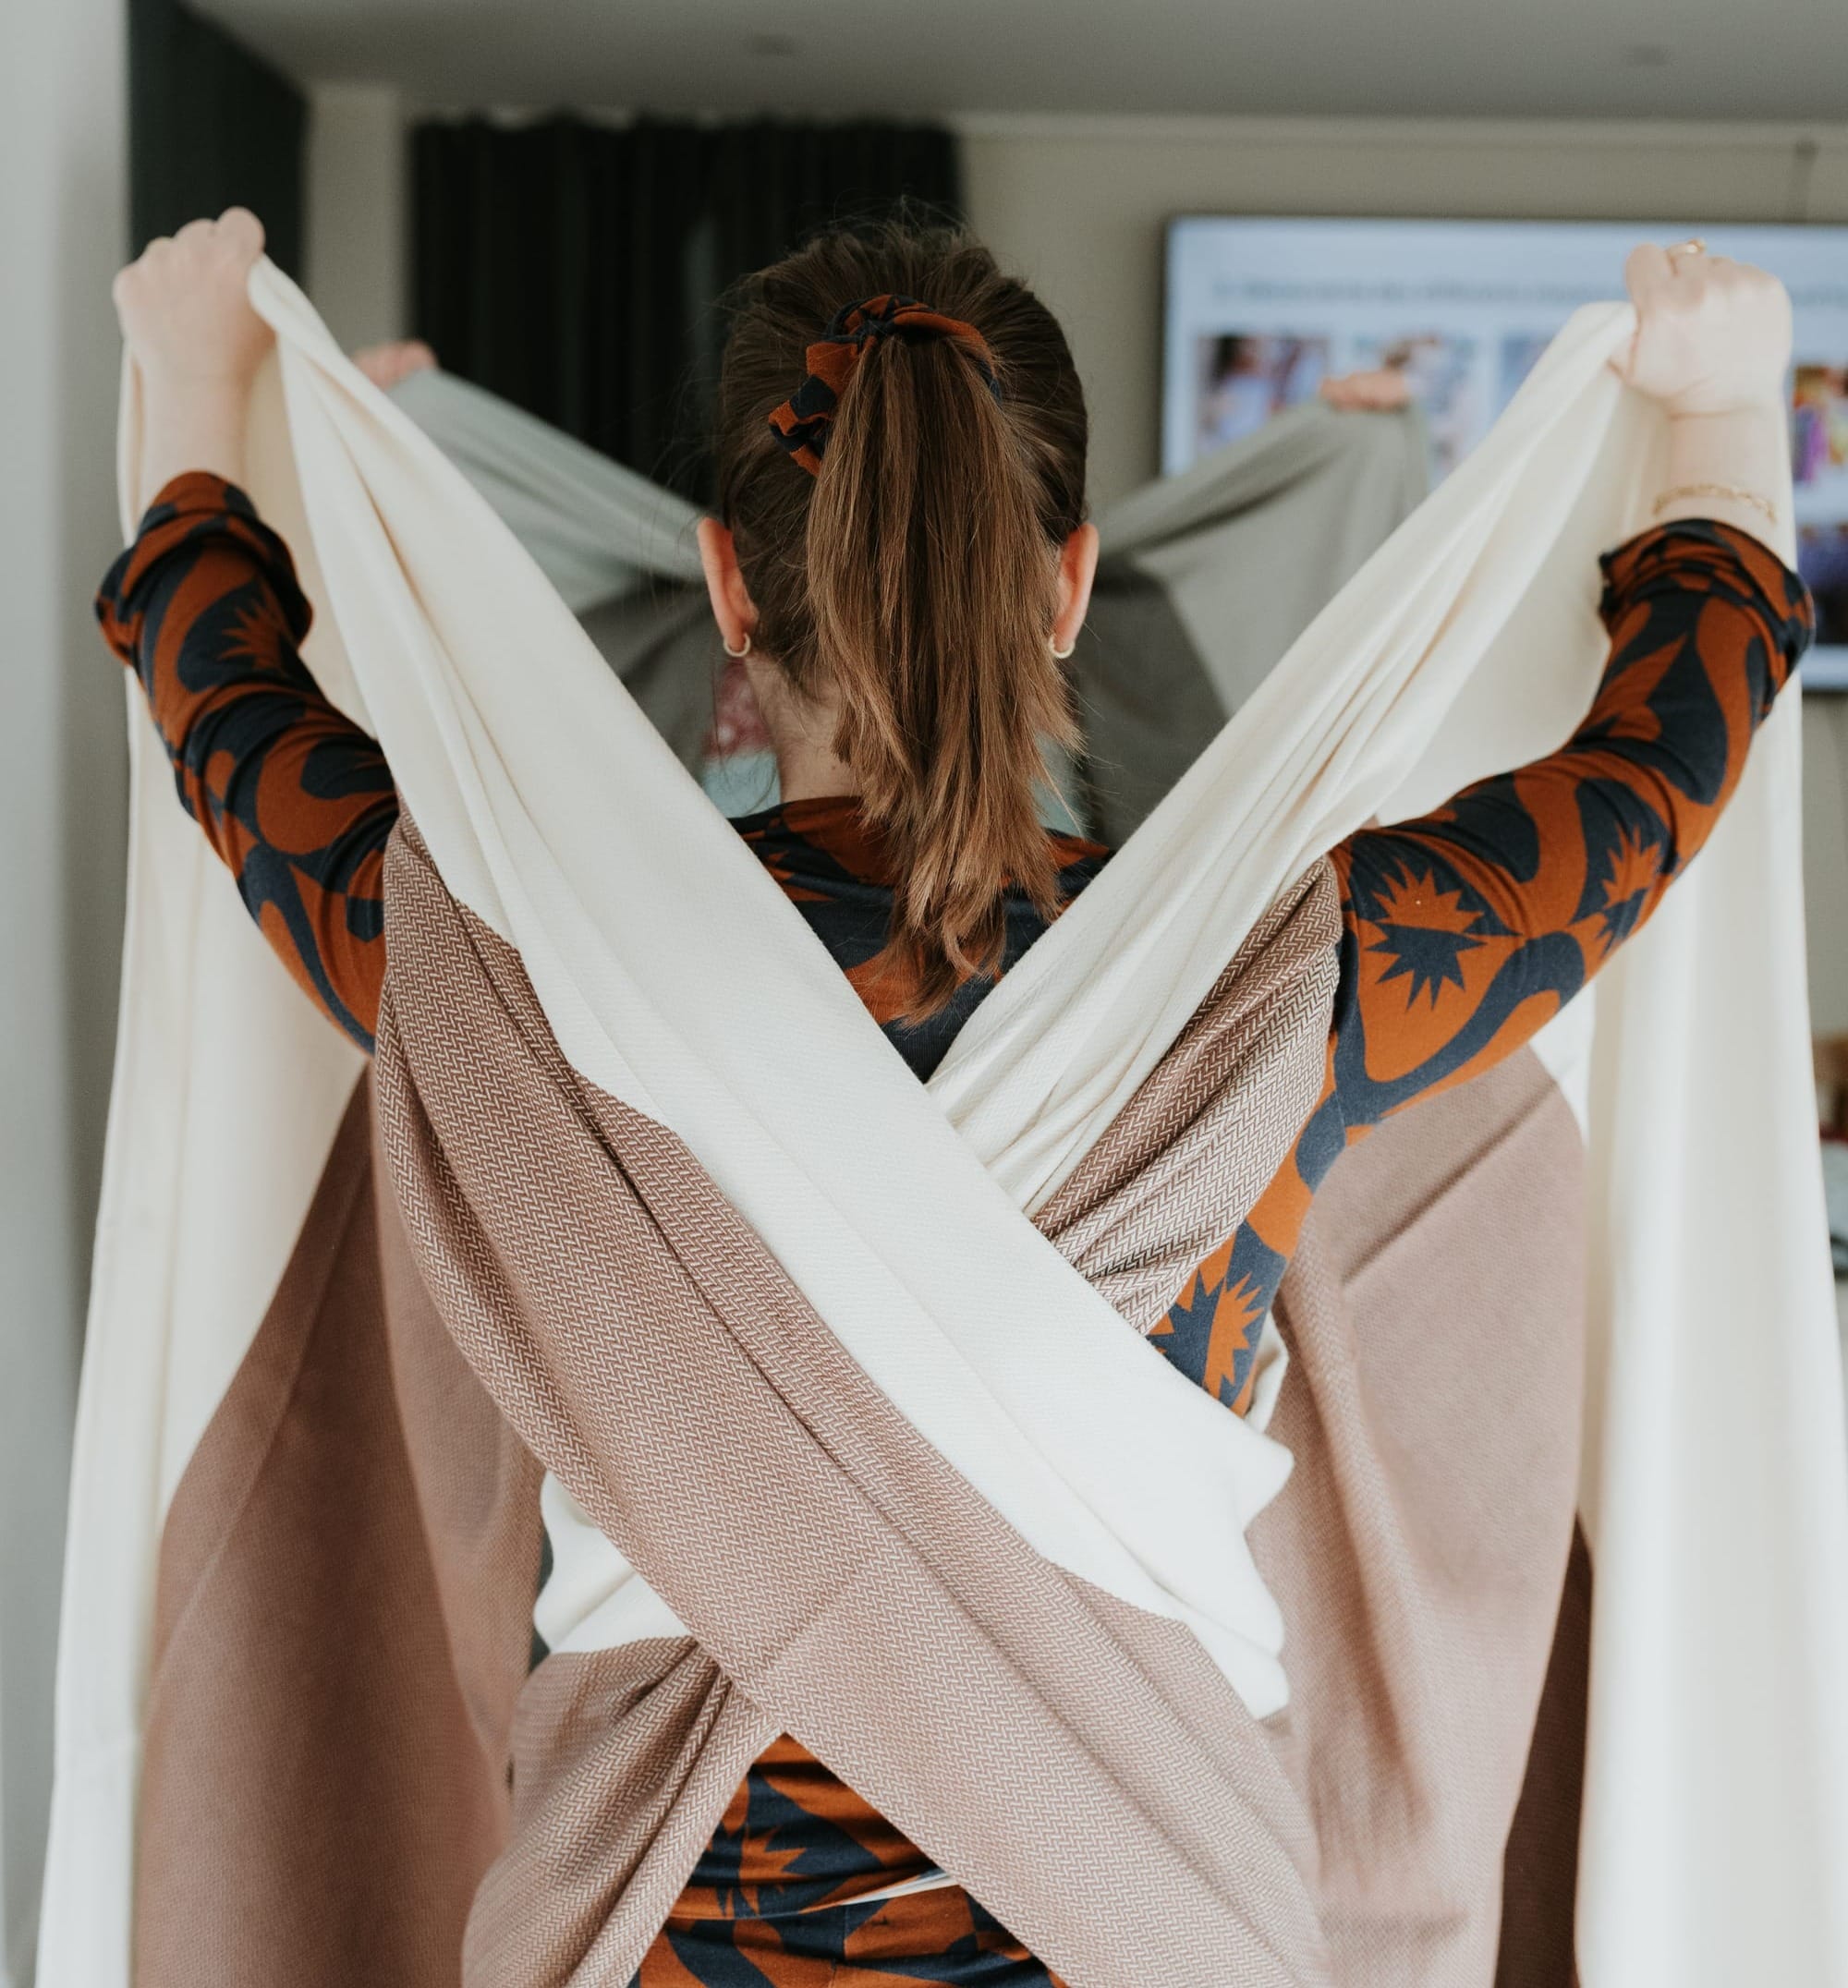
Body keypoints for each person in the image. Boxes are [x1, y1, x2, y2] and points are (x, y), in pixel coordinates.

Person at [100, 207, 1811, 1985]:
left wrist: (206, 394)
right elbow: (1659, 763)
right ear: (1069, 584)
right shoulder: (1278, 986)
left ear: (729, 587)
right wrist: (1719, 423)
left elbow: (224, 703)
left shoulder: (516, 987)